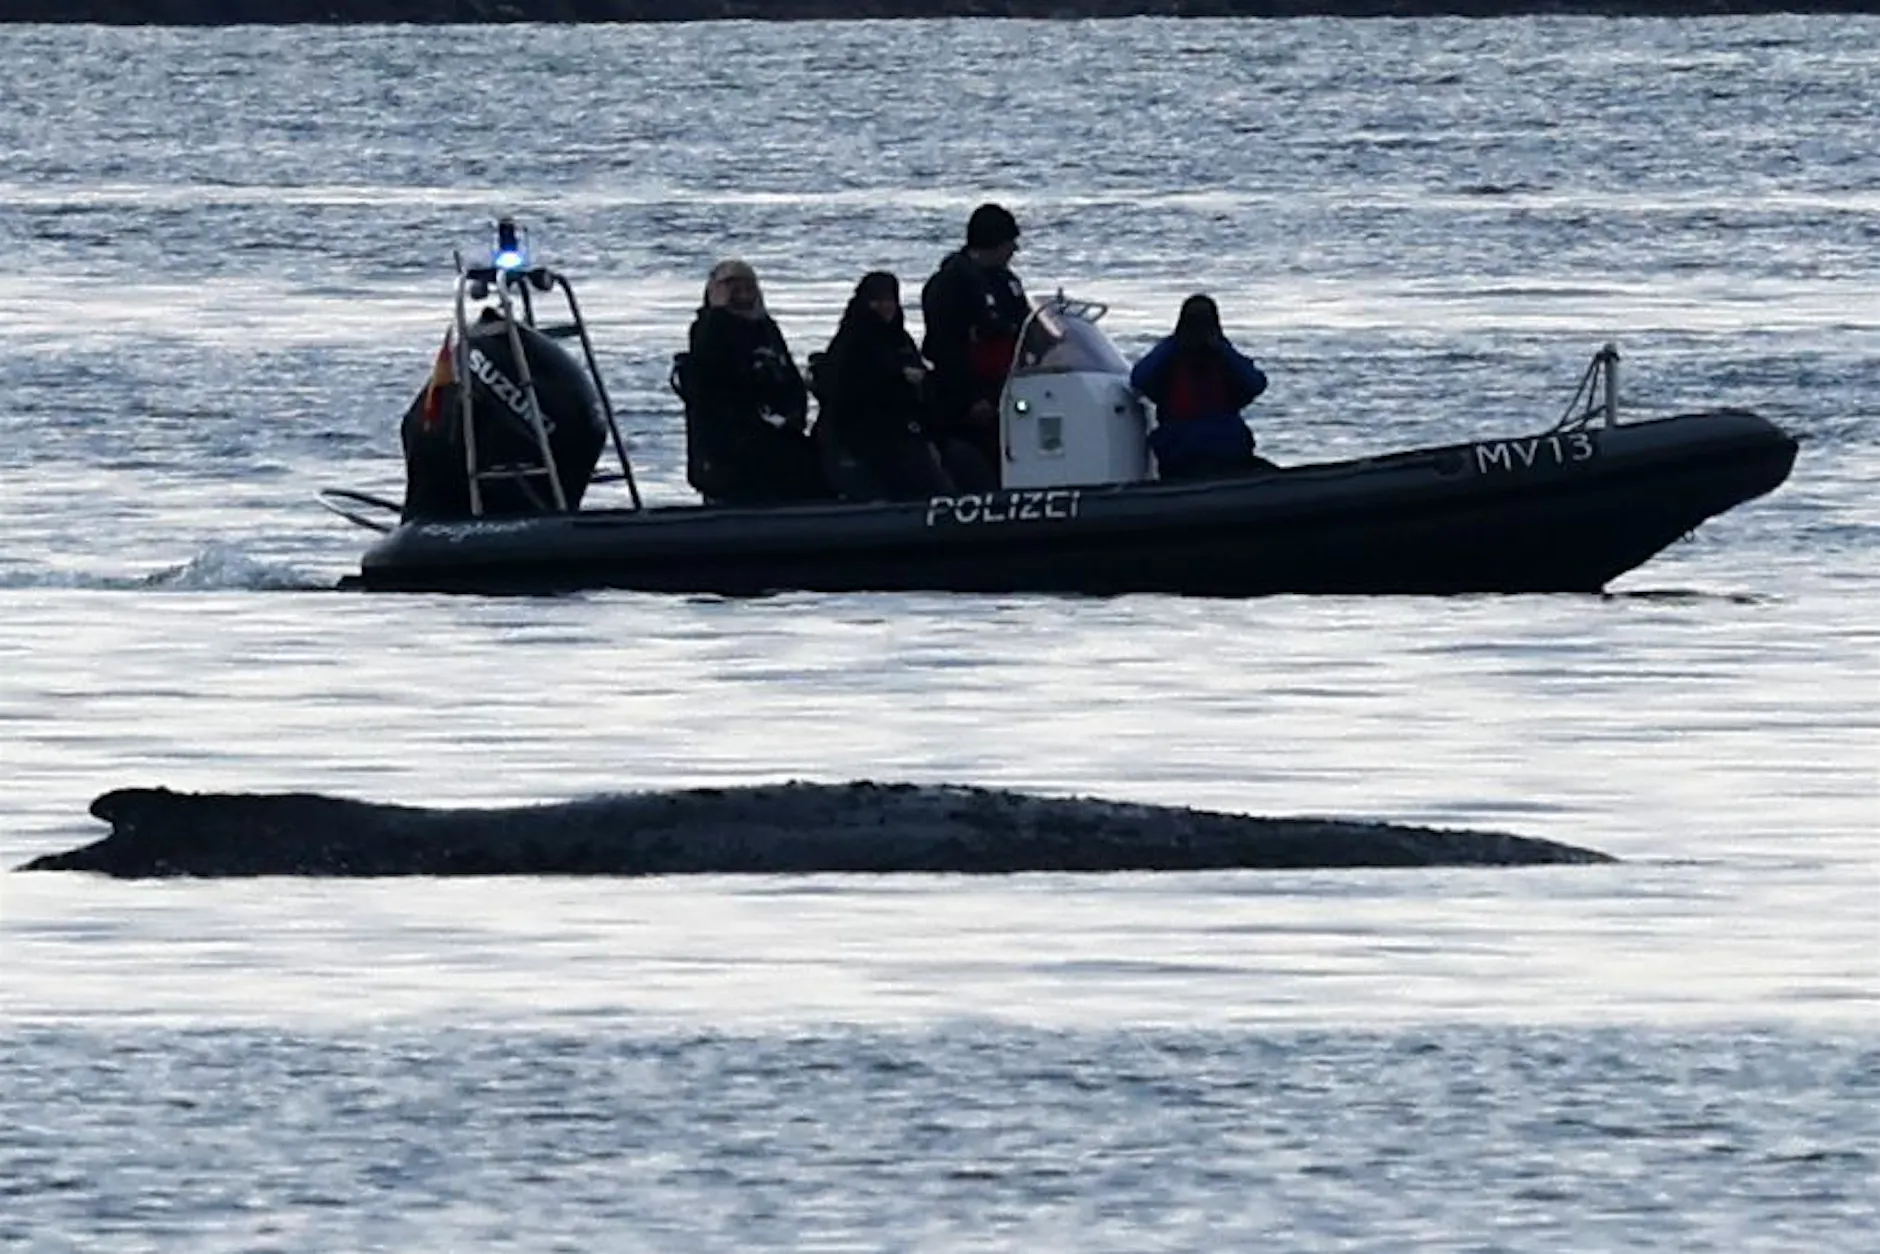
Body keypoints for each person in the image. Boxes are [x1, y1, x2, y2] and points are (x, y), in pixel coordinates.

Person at [676, 258, 826, 506]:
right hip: (733, 447)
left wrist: (790, 415)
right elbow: (714, 393)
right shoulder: (710, 330)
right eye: (732, 286)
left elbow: (790, 378)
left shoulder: (767, 329)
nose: (742, 293)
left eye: (748, 285)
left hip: (778, 438)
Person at [813, 271, 954, 501]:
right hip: (864, 435)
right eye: (877, 300)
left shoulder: (900, 339)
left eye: (890, 300)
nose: (885, 307)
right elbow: (844, 389)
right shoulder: (852, 341)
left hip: (903, 429)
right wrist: (897, 378)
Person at [919, 202, 1030, 489]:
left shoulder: (1007, 282)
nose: (1014, 250)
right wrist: (971, 398)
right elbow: (946, 347)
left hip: (1007, 388)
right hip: (968, 398)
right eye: (1009, 242)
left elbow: (1026, 328)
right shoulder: (950, 285)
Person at [1129, 294, 1273, 481]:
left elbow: (1255, 383)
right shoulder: (1175, 356)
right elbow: (1140, 378)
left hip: (1207, 452)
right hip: (1197, 453)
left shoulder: (1216, 355)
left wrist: (1217, 348)